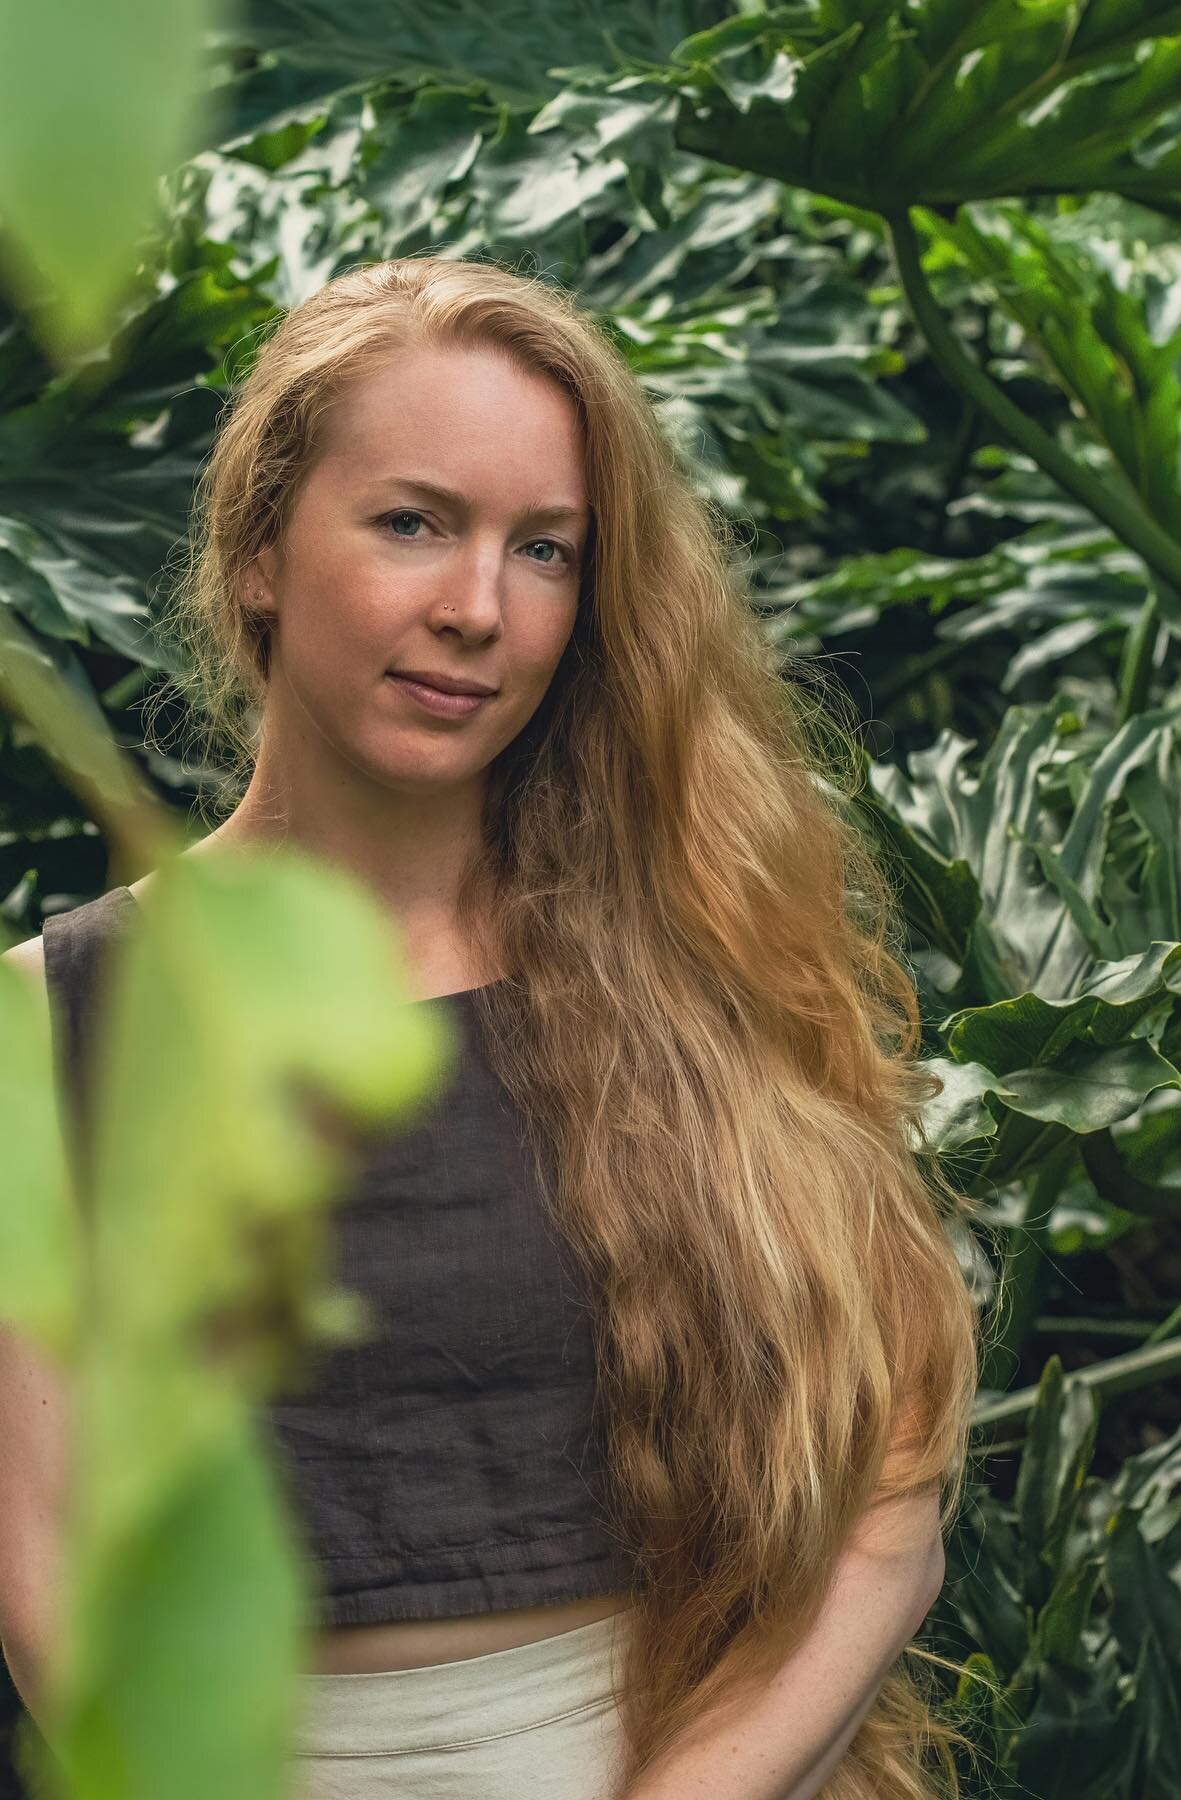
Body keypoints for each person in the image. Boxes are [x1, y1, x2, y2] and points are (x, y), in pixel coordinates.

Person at [3, 255, 979, 1799]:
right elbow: (48, 1578)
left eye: (545, 551)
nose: (476, 610)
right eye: (413, 523)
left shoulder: (700, 965)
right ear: (261, 551)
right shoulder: (47, 1026)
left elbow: (889, 1499)